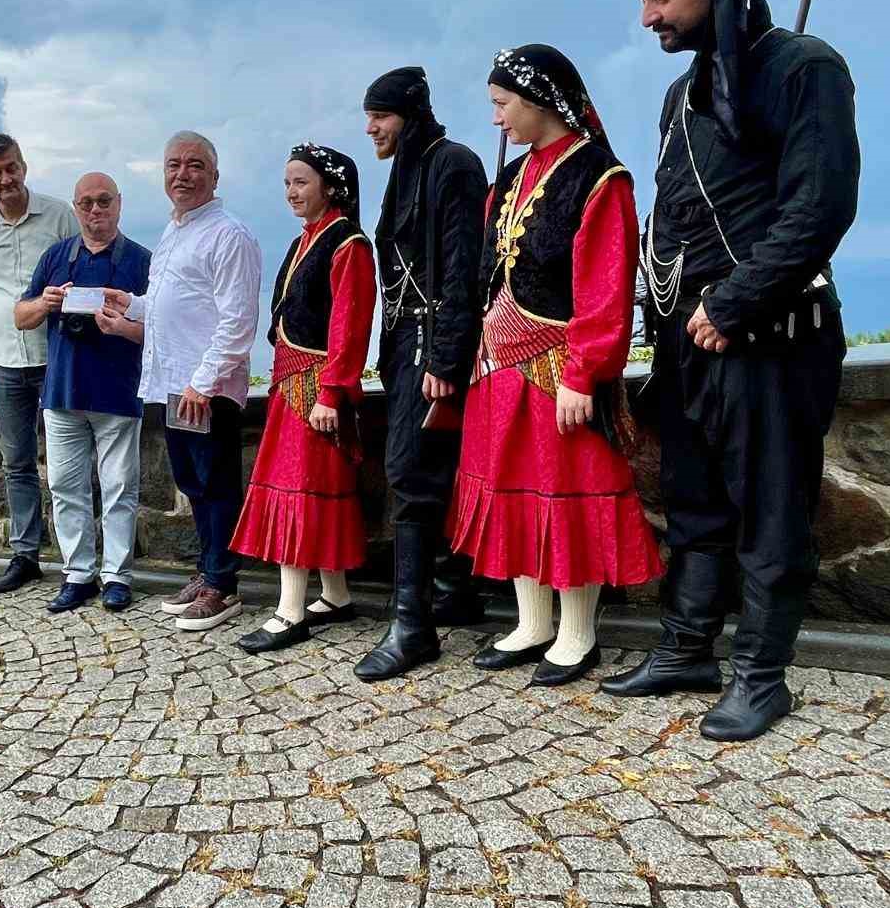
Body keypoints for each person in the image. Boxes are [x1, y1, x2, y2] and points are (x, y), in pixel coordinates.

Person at [601, 0, 859, 742]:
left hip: (768, 332)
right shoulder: (681, 95)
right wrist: (669, 320)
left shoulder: (804, 67)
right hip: (688, 338)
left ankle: (761, 675)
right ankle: (686, 647)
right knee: (695, 499)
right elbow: (675, 220)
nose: (649, 18)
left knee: (773, 507)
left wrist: (735, 300)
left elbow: (819, 205)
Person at [450, 46, 661, 686]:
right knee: (510, 488)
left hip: (556, 371)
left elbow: (606, 282)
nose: (496, 119)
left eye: (502, 104)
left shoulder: (599, 175)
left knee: (566, 491)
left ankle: (577, 632)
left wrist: (584, 372)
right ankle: (531, 621)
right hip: (499, 365)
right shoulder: (509, 180)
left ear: (539, 99)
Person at [356, 68, 487, 682]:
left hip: (432, 344)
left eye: (379, 116)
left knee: (413, 472)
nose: (371, 128)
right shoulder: (404, 172)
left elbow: (464, 266)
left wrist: (445, 356)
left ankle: (413, 626)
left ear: (408, 114)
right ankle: (451, 592)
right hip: (406, 342)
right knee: (427, 469)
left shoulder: (452, 164)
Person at [106, 132, 262, 632]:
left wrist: (204, 382)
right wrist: (127, 302)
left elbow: (236, 322)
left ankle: (223, 585)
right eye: (174, 164)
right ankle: (206, 571)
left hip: (203, 389)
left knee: (216, 485)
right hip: (173, 384)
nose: (183, 174)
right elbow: (171, 306)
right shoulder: (174, 233)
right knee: (193, 484)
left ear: (214, 176)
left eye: (195, 165)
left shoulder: (228, 235)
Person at [230, 146, 376, 653]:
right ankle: (334, 594)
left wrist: (332, 390)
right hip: (291, 384)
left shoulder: (348, 243)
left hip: (315, 390)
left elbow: (350, 323)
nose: (291, 192)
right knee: (314, 488)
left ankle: (290, 610)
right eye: (287, 183)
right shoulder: (304, 241)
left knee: (301, 488)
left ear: (330, 186)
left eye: (301, 182)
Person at [15, 173, 152, 613]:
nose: (96, 211)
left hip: (118, 392)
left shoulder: (141, 260)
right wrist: (47, 303)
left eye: (104, 201)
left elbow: (163, 331)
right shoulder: (56, 257)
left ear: (119, 204)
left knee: (119, 488)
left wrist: (122, 325)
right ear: (75, 208)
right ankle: (77, 574)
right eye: (87, 203)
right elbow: (21, 316)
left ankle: (116, 576)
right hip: (62, 392)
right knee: (65, 487)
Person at [0, 134, 79, 595]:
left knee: (70, 459)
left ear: (24, 166)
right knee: (16, 461)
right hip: (5, 358)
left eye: (11, 168)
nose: (5, 179)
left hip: (57, 355)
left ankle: (79, 559)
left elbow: (80, 276)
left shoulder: (59, 216)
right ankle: (25, 554)